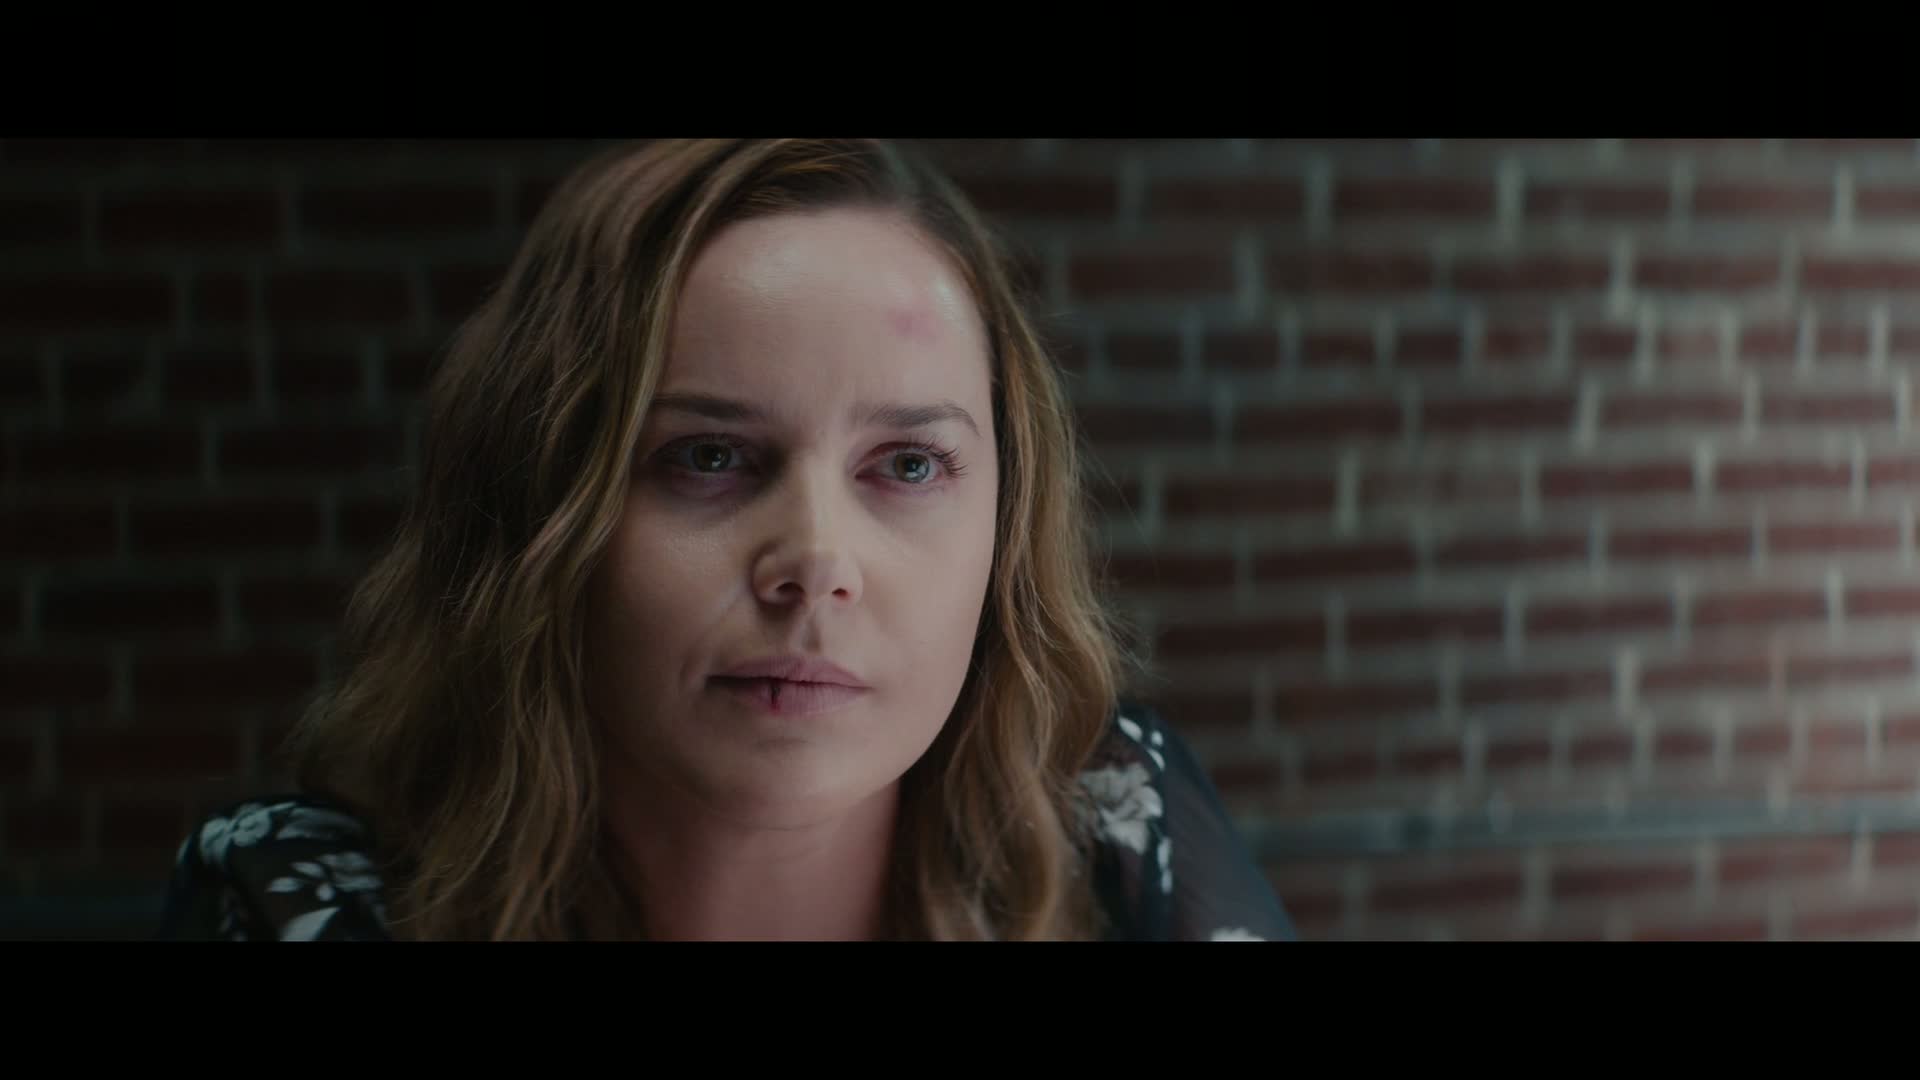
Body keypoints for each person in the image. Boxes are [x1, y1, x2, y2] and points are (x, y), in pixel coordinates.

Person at [154, 138, 1296, 942]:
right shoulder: (298, 901)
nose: (816, 562)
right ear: (540, 507)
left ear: (1006, 525)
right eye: (708, 456)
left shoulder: (1117, 822)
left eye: (907, 465)